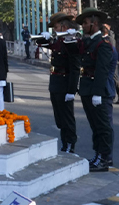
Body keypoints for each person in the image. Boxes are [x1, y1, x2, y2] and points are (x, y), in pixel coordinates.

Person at [36, 13, 81, 153]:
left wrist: (71, 90)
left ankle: (70, 142)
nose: (54, 30)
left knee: (67, 116)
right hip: (55, 81)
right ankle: (64, 141)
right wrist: (42, 36)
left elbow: (75, 68)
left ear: (64, 26)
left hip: (65, 82)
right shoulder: (59, 41)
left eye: (56, 27)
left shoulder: (71, 42)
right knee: (59, 116)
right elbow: (41, 42)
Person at [76, 8, 114, 172]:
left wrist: (97, 93)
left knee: (103, 126)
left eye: (85, 23)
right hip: (87, 89)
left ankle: (105, 158)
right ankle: (98, 154)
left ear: (95, 24)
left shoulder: (102, 44)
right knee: (95, 125)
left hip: (98, 91)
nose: (83, 26)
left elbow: (102, 71)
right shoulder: (89, 42)